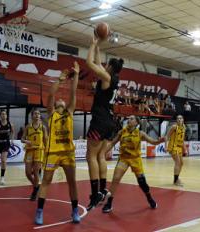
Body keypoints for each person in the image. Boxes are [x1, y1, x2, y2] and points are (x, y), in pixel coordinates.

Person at [34, 61, 81, 224]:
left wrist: (76, 75)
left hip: (68, 152)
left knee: (72, 183)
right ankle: (39, 211)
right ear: (56, 105)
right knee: (46, 181)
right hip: (52, 153)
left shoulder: (69, 112)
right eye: (59, 100)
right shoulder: (51, 113)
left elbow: (73, 93)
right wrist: (60, 80)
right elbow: (51, 95)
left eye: (63, 100)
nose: (61, 99)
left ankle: (75, 210)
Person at [85, 35, 124, 211]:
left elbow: (90, 64)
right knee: (100, 156)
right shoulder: (113, 78)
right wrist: (99, 46)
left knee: (90, 156)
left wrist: (93, 45)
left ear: (110, 67)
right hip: (109, 121)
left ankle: (95, 194)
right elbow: (99, 65)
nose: (104, 66)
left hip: (100, 120)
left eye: (106, 65)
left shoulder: (107, 79)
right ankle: (102, 189)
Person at [102, 115, 164, 213]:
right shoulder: (122, 132)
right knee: (115, 179)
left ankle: (149, 198)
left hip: (135, 159)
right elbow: (112, 143)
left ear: (136, 122)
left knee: (142, 182)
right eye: (128, 118)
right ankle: (109, 203)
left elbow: (153, 142)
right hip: (124, 159)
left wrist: (159, 141)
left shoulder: (140, 133)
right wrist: (103, 152)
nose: (129, 120)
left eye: (131, 119)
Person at [21, 109, 47, 200]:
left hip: (39, 151)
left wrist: (47, 153)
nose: (37, 115)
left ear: (40, 116)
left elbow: (46, 140)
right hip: (29, 151)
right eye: (35, 113)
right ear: (32, 116)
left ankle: (35, 192)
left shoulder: (43, 127)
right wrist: (26, 141)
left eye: (38, 114)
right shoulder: (28, 127)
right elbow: (22, 138)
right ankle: (36, 186)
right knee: (28, 173)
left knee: (36, 171)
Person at [165, 115, 187, 186]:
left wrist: (185, 149)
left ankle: (177, 178)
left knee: (181, 163)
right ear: (176, 120)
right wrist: (165, 146)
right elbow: (167, 136)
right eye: (177, 118)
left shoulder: (184, 127)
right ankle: (175, 181)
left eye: (180, 118)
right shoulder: (174, 127)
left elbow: (182, 140)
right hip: (173, 146)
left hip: (179, 147)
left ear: (183, 119)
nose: (179, 119)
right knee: (177, 162)